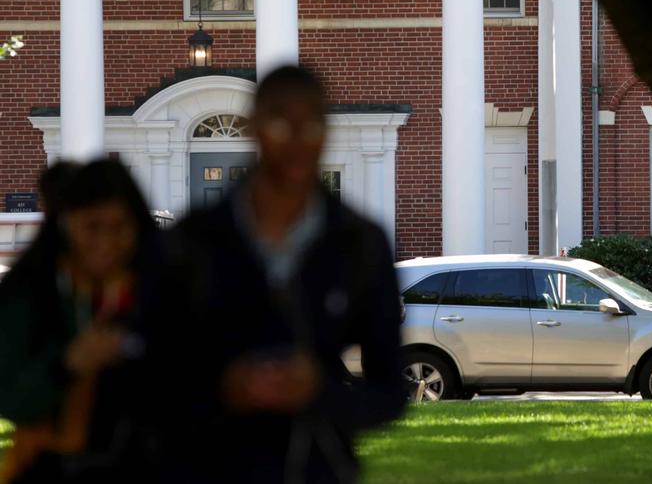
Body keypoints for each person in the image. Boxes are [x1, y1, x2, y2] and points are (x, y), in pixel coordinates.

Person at [148, 65, 404, 484]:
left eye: (312, 125)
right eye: (281, 123)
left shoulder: (359, 243)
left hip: (316, 467)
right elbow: (150, 379)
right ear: (253, 128)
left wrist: (320, 390)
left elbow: (389, 393)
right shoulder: (193, 242)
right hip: (210, 467)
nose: (298, 142)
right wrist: (227, 388)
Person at [0, 160, 160, 483]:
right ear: (67, 224)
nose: (105, 242)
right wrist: (67, 364)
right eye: (92, 227)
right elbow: (9, 398)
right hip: (49, 465)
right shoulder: (30, 293)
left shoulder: (165, 287)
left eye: (118, 227)